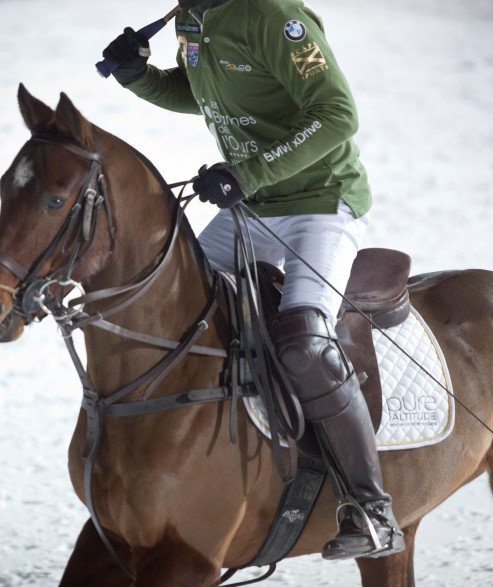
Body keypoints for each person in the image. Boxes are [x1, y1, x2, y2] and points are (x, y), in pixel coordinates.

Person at [102, 0, 405, 560]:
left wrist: (249, 171)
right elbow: (206, 96)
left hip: (321, 204)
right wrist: (140, 77)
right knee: (170, 305)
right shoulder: (193, 16)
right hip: (253, 204)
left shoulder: (274, 17)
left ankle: (372, 508)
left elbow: (337, 113)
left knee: (306, 346)